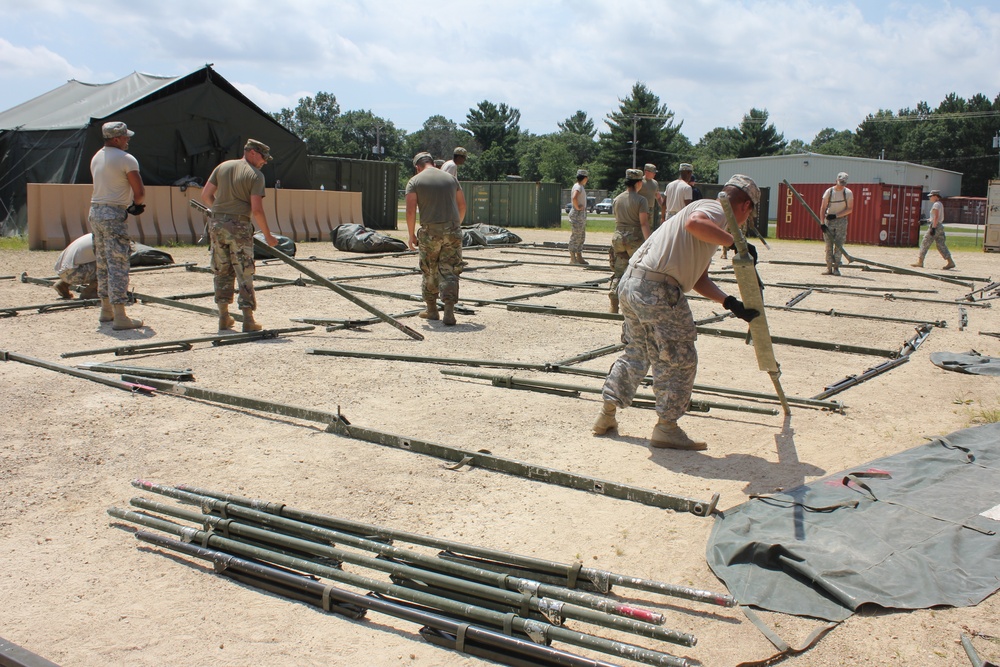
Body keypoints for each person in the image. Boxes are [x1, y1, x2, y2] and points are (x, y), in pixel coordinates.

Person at [593, 175, 762, 450]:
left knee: (637, 351)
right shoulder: (716, 209)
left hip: (632, 284)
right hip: (656, 289)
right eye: (750, 212)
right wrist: (734, 242)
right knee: (679, 357)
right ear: (744, 205)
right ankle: (667, 427)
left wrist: (729, 302)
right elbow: (694, 224)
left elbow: (698, 279)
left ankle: (606, 415)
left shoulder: (708, 222)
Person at [201, 139, 279, 332]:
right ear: (252, 152)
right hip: (240, 226)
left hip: (217, 224)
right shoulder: (255, 176)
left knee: (221, 269)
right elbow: (257, 210)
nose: (264, 162)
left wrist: (220, 214)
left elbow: (206, 195)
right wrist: (268, 236)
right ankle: (248, 319)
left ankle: (223, 316)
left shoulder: (222, 167)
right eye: (263, 157)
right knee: (244, 271)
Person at [89, 121, 145, 330]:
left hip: (95, 211)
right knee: (118, 264)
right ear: (116, 139)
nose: (127, 140)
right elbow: (139, 191)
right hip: (113, 212)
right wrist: (136, 206)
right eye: (124, 137)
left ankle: (106, 309)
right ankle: (120, 315)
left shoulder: (97, 156)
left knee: (102, 261)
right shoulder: (126, 159)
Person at [405, 151, 467, 326]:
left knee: (430, 269)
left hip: (430, 232)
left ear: (418, 167)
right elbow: (462, 206)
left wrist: (411, 235)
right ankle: (449, 311)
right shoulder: (450, 178)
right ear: (433, 163)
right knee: (450, 269)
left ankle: (432, 310)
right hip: (453, 231)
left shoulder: (415, 181)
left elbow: (410, 211)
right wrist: (455, 227)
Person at [608, 168, 651, 313]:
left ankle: (614, 304)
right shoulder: (641, 200)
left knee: (619, 271)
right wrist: (649, 243)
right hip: (635, 239)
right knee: (638, 272)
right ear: (638, 183)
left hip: (618, 238)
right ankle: (636, 306)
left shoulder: (617, 199)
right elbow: (643, 223)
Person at [819, 172, 854, 276]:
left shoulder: (848, 193)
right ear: (836, 181)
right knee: (828, 246)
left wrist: (836, 216)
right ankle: (829, 267)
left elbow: (850, 209)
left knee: (839, 245)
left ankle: (836, 268)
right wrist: (822, 223)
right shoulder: (829, 192)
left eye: (843, 183)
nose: (841, 185)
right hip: (828, 221)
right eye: (840, 182)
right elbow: (823, 207)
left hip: (841, 221)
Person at [912, 190, 956, 270]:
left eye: (931, 196)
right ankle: (950, 262)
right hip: (940, 226)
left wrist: (933, 228)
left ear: (935, 196)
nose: (929, 197)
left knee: (925, 242)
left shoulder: (936, 205)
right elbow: (935, 218)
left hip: (935, 226)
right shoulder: (940, 204)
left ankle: (920, 261)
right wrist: (926, 220)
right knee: (941, 245)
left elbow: (935, 217)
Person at [53, 233, 99, 300]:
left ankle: (63, 284)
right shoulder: (108, 238)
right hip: (74, 273)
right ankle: (90, 292)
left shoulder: (95, 233)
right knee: (113, 266)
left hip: (64, 272)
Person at [568, 169, 589, 265]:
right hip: (577, 214)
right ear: (584, 178)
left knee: (581, 236)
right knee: (576, 236)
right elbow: (574, 197)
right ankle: (573, 258)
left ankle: (579, 256)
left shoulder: (580, 186)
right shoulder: (578, 187)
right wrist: (577, 207)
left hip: (580, 214)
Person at [639, 163, 665, 231]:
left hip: (650, 209)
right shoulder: (640, 181)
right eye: (653, 172)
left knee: (649, 228)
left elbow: (658, 197)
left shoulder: (655, 183)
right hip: (640, 209)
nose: (654, 174)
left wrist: (664, 207)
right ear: (646, 172)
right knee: (639, 227)